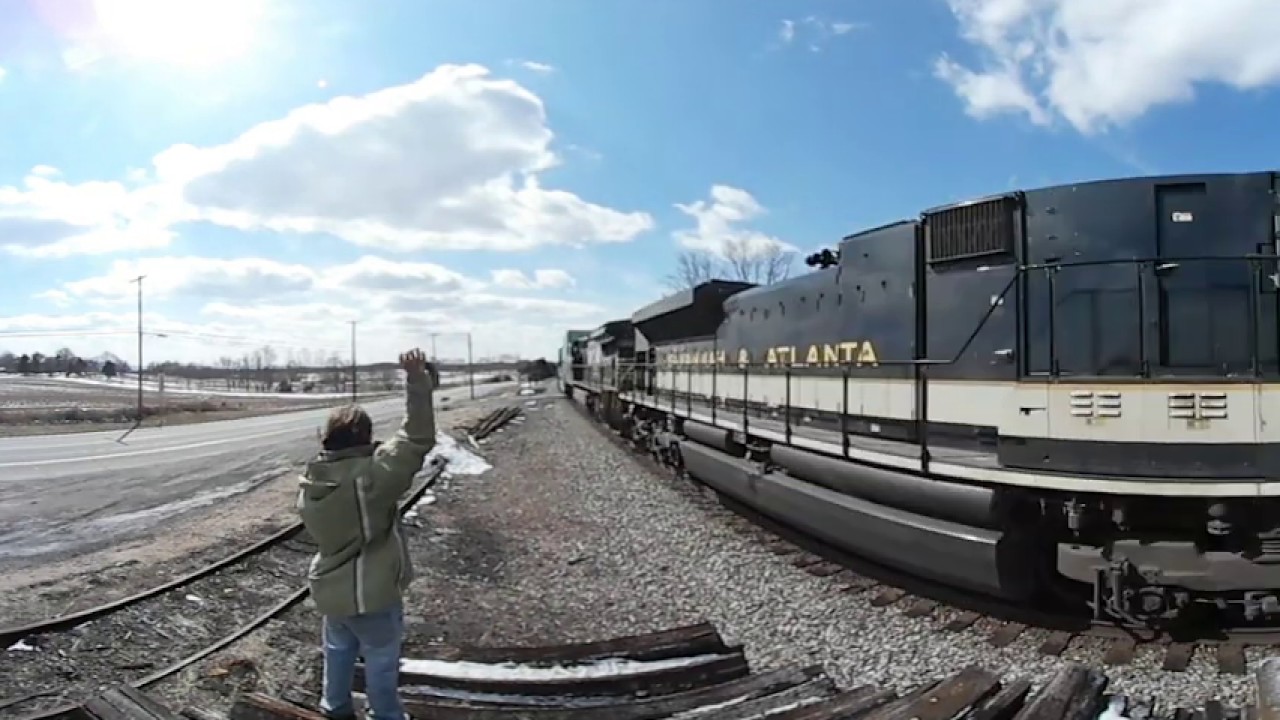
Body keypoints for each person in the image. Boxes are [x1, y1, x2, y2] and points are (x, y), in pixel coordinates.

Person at [296, 348, 438, 720]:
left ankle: (336, 708)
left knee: (338, 651)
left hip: (330, 589)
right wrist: (417, 380)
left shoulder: (312, 481)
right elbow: (417, 437)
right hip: (371, 593)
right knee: (381, 659)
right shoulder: (371, 479)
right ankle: (387, 715)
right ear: (362, 437)